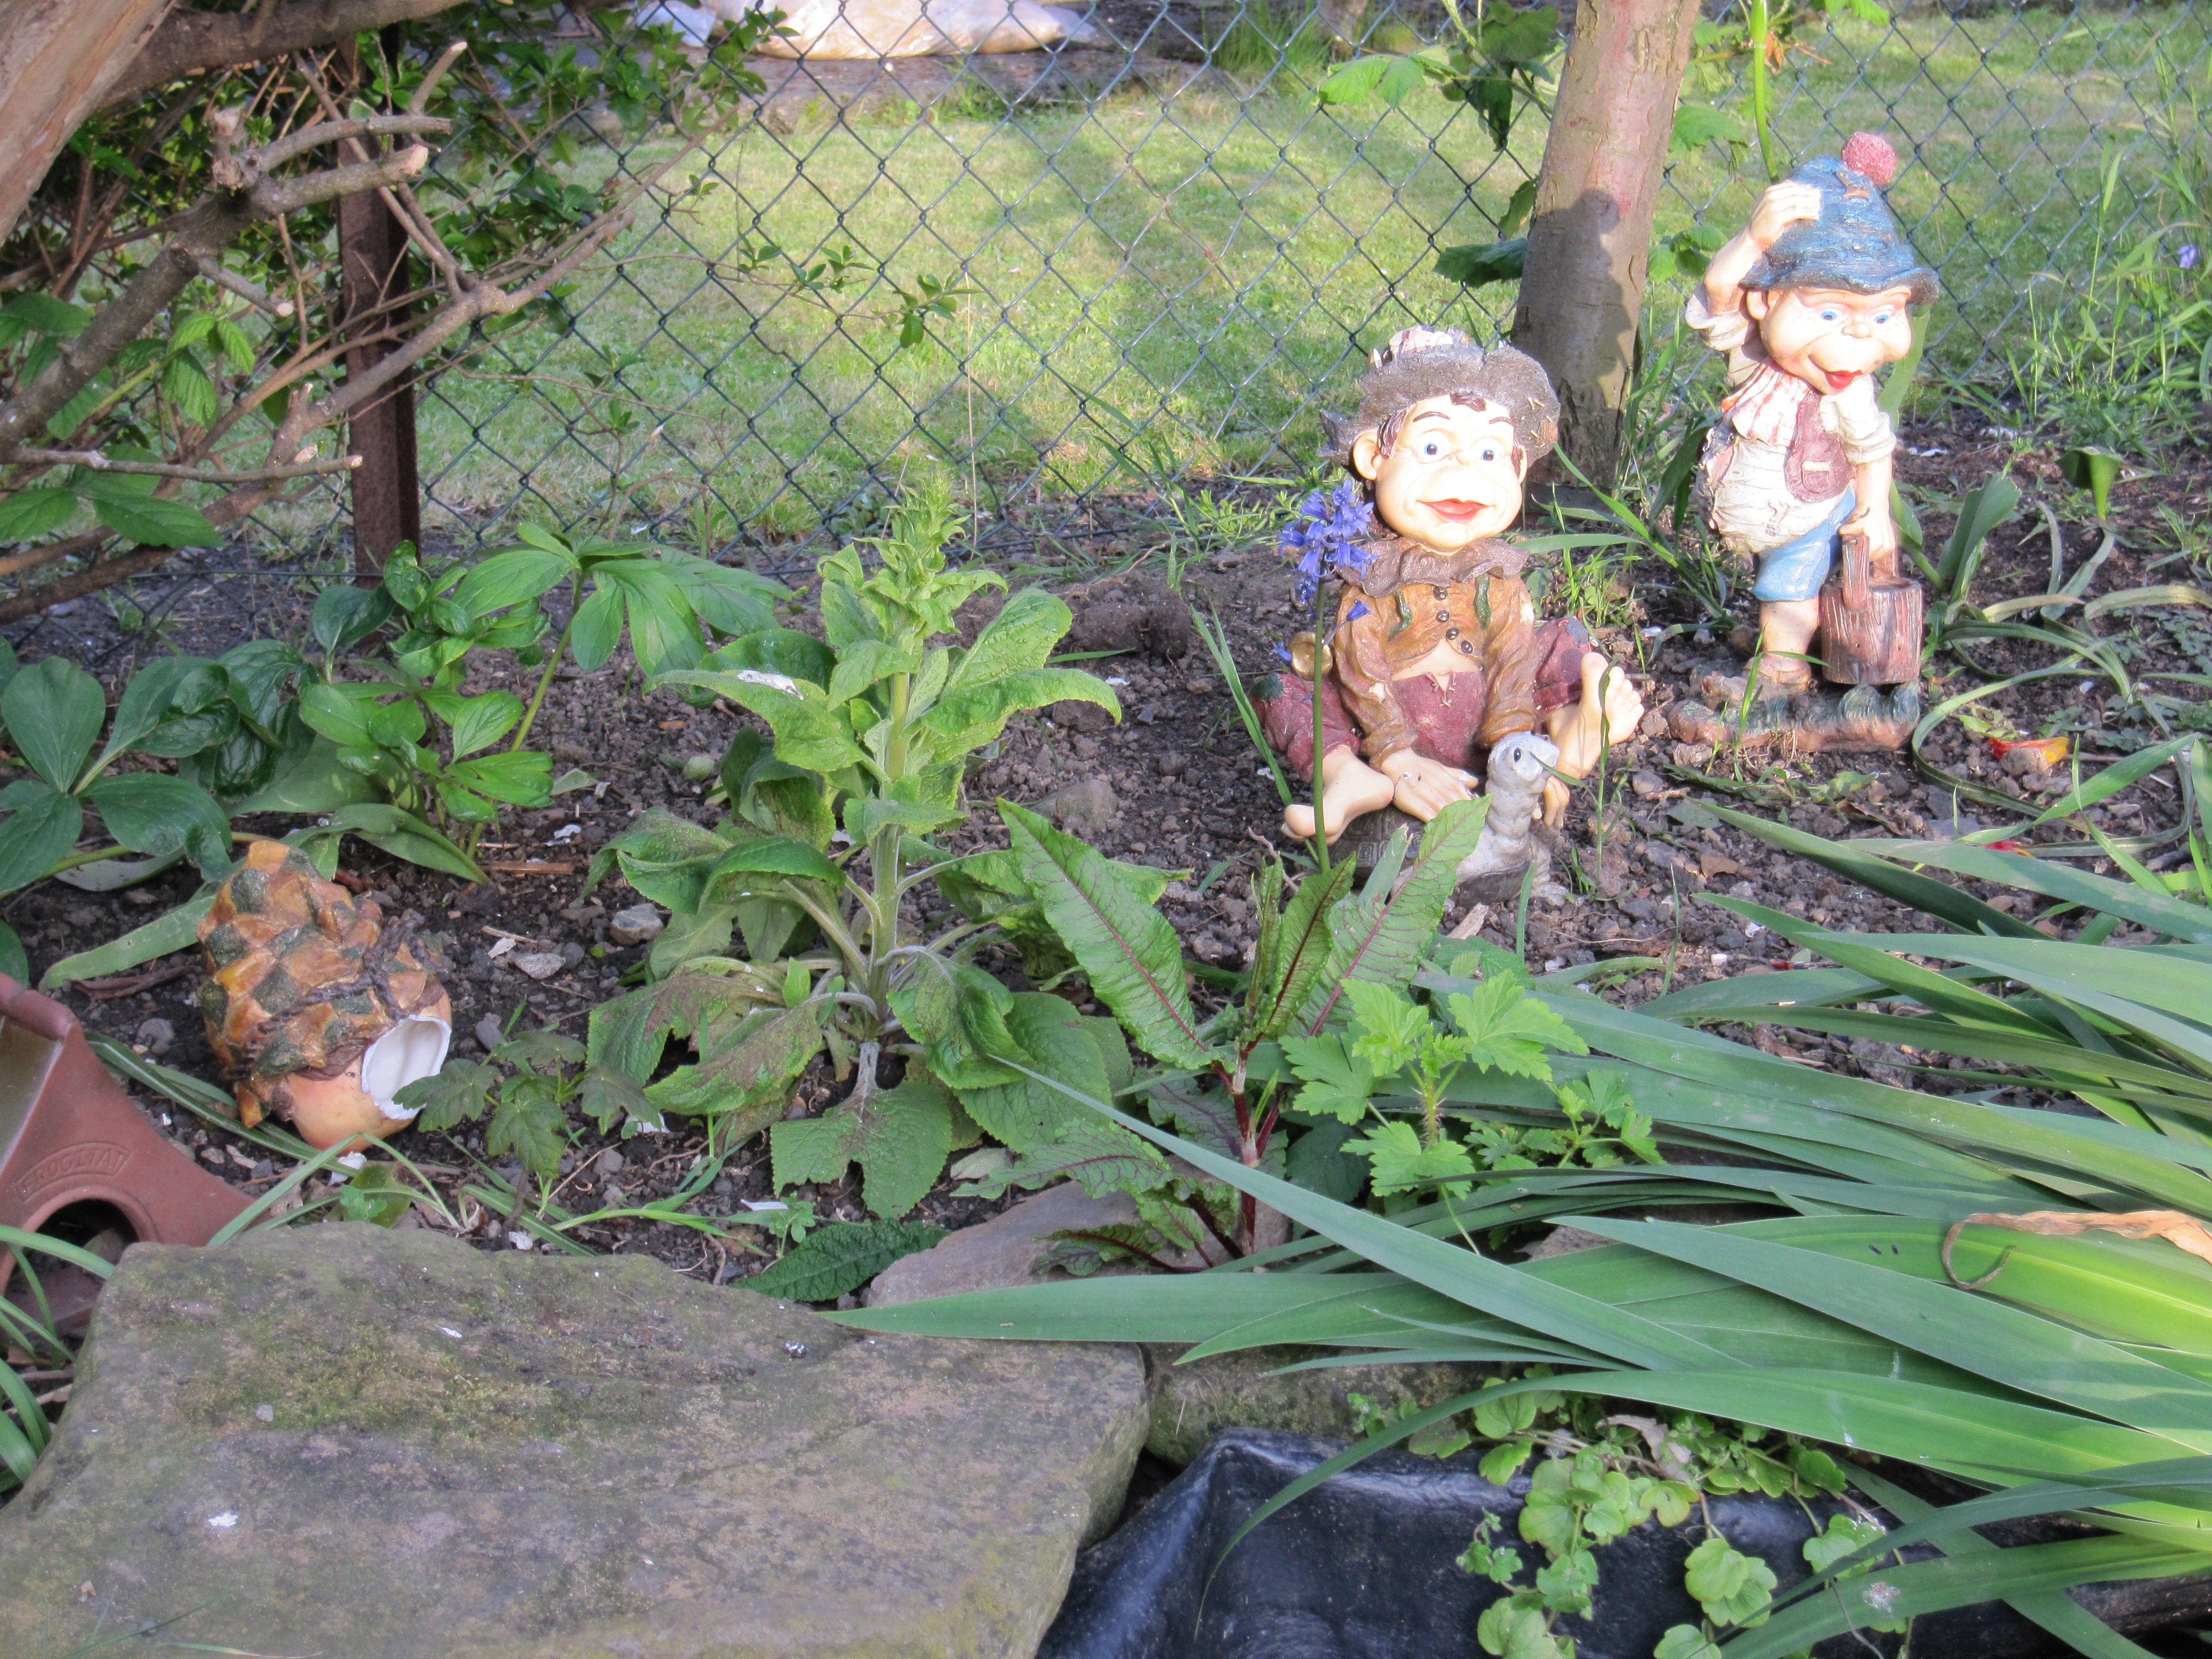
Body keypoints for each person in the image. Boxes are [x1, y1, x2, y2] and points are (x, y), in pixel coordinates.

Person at [1255, 326, 1643, 850]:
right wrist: (1396, 754)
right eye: (1433, 447)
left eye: (1491, 455)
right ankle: (1349, 774)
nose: (1466, 476)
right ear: (1373, 458)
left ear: (1519, 466)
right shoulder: (1372, 576)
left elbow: (1512, 661)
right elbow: (1360, 664)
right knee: (1284, 687)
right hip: (1391, 726)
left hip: (1483, 723)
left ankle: (1563, 743)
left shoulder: (1498, 578)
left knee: (1562, 639)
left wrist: (1513, 747)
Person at [1689, 131, 1937, 722]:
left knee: (1791, 583)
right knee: (1780, 583)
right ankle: (1786, 636)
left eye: (1884, 315)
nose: (1857, 341)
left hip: (1808, 510)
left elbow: (1871, 449)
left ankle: (1783, 670)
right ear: (1764, 303)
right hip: (1768, 511)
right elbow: (1718, 291)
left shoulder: (1848, 391)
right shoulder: (1754, 355)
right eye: (1827, 312)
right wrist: (1753, 239)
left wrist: (1872, 511)